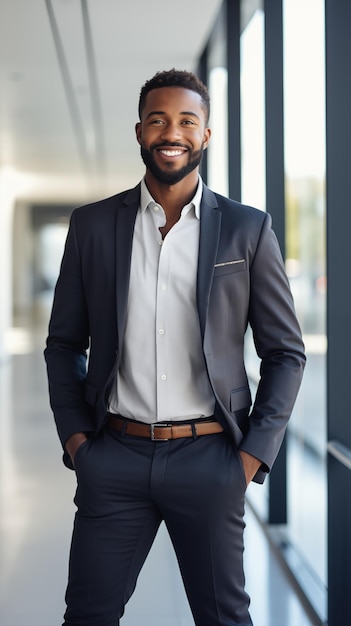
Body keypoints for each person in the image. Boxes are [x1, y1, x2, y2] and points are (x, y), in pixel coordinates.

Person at [44, 69, 305, 626]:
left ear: (205, 135)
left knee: (224, 619)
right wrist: (77, 443)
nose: (172, 132)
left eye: (187, 120)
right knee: (87, 616)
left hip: (211, 460)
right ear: (139, 131)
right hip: (113, 456)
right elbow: (64, 342)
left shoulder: (246, 229)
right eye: (158, 119)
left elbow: (285, 352)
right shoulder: (91, 227)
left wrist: (249, 457)